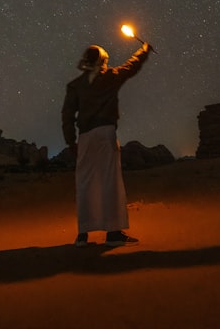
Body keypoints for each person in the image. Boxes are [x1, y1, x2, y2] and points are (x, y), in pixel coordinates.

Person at [61, 40, 153, 247]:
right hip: (105, 132)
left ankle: (83, 235)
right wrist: (144, 50)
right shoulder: (111, 77)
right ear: (103, 60)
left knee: (85, 183)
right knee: (109, 181)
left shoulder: (74, 86)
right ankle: (112, 234)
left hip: (84, 137)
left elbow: (67, 115)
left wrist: (70, 141)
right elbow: (131, 66)